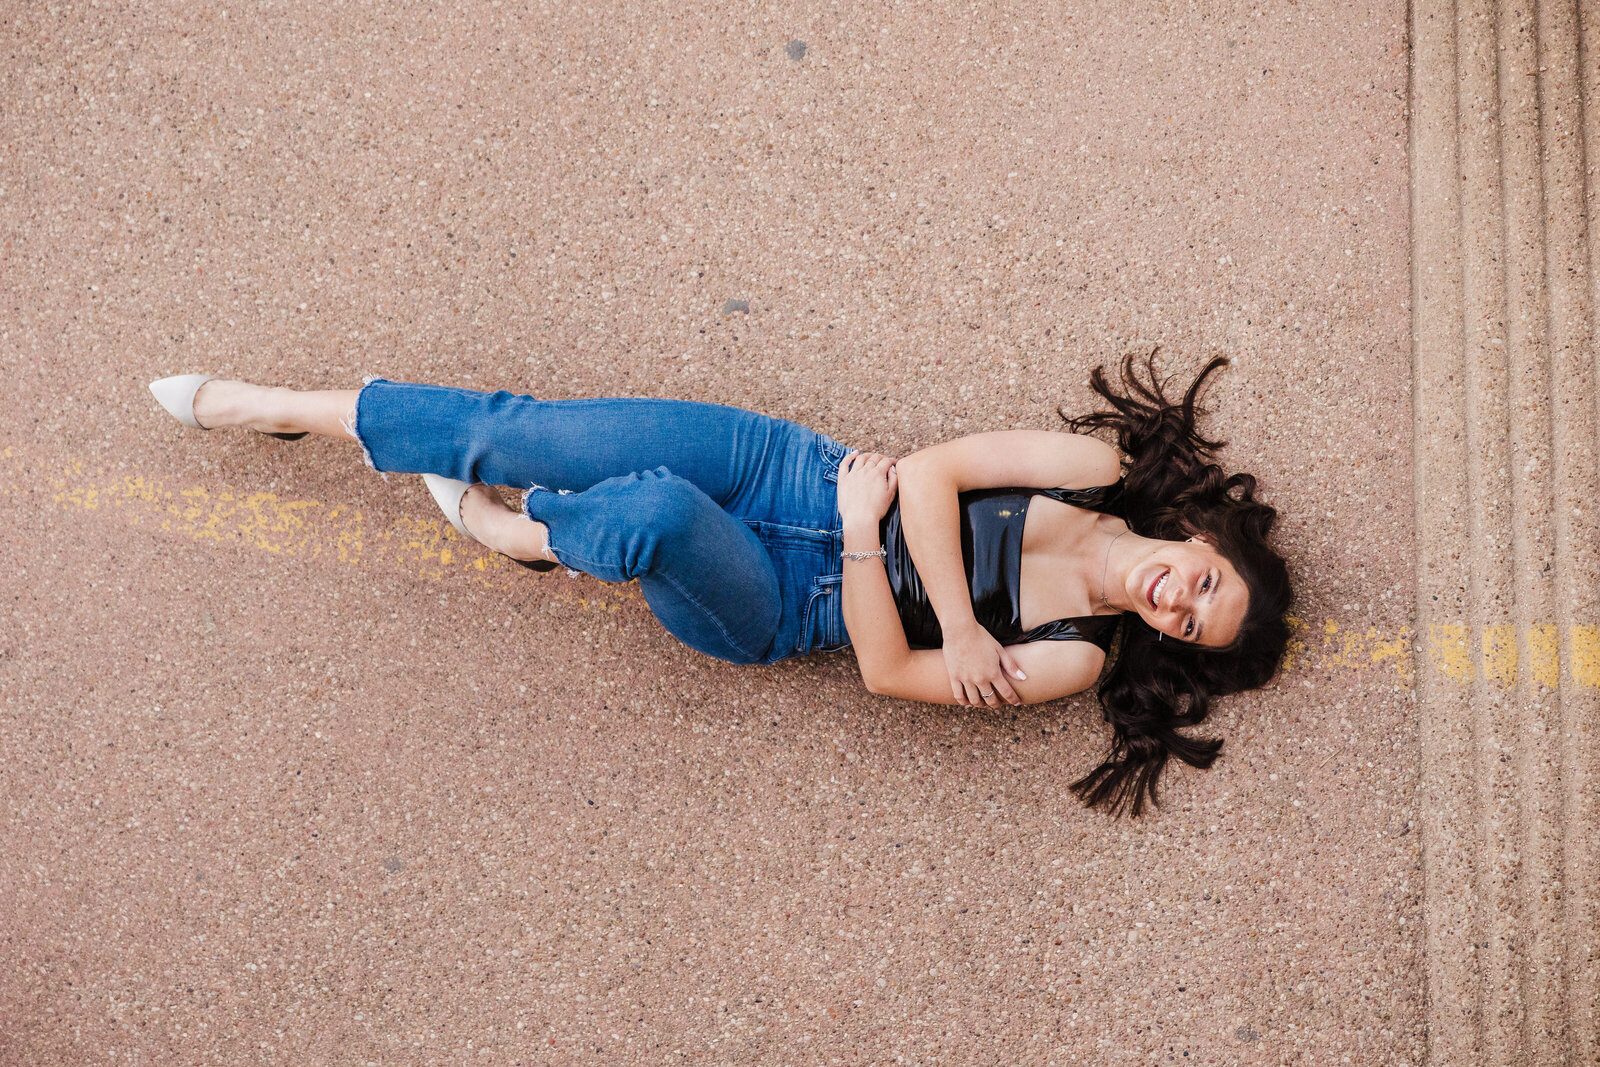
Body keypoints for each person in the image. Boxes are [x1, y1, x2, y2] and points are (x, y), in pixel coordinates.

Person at [148, 351, 1290, 815]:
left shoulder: (1076, 650)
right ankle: (276, 408)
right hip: (790, 464)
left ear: (1170, 642)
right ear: (1200, 539)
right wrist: (952, 610)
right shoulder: (1096, 474)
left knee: (649, 513)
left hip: (782, 596)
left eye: (1192, 623)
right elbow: (938, 471)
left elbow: (886, 671)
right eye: (1206, 580)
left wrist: (859, 539)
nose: (1178, 598)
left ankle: (532, 538)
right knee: (522, 428)